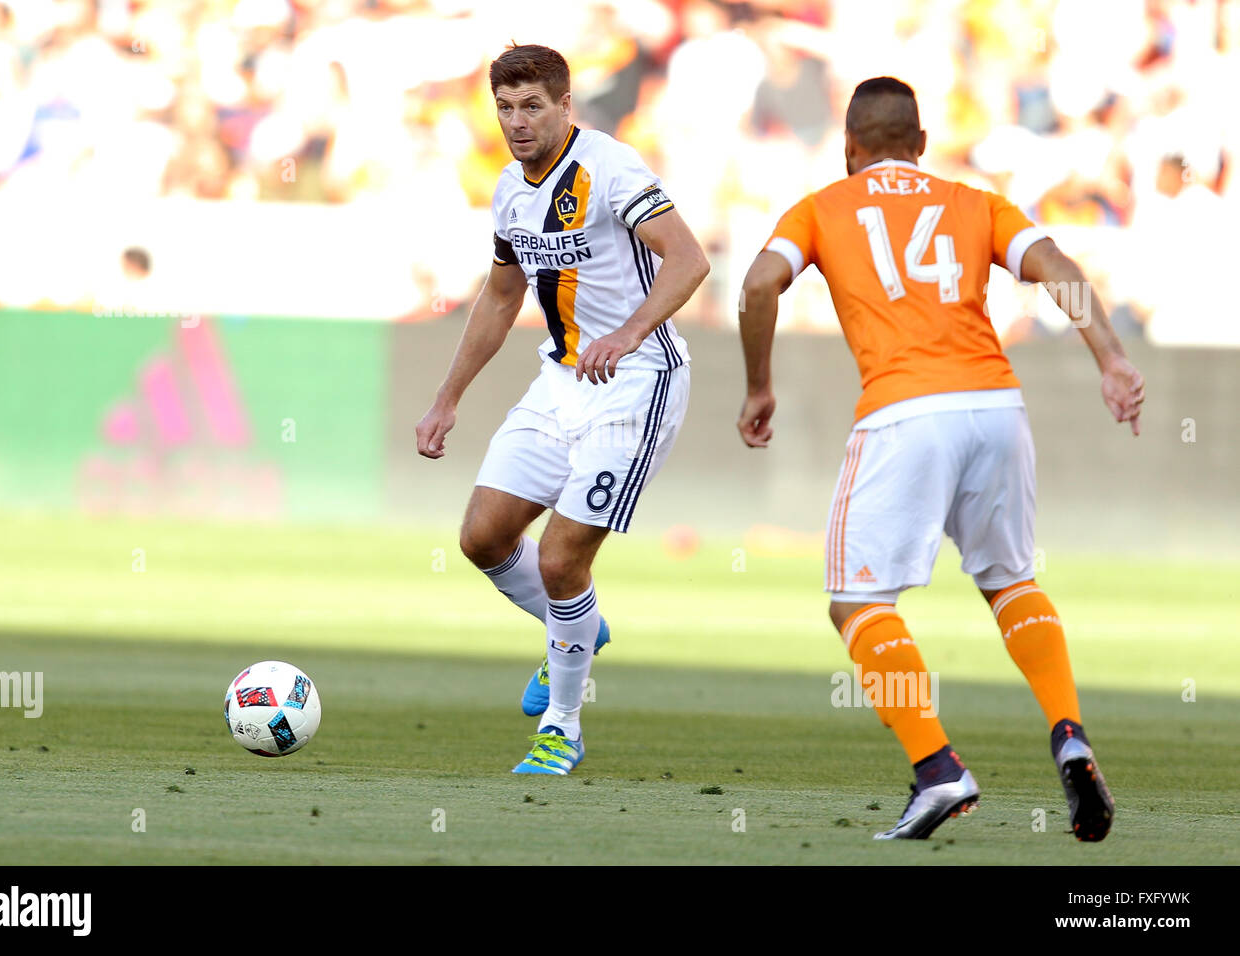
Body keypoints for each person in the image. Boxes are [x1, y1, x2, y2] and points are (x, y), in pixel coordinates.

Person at [736, 77, 1144, 840]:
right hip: (995, 406)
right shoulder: (974, 201)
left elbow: (760, 282)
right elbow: (1057, 265)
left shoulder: (823, 205)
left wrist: (759, 385)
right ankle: (1068, 731)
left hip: (904, 413)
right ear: (920, 144)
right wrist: (1113, 360)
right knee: (1011, 580)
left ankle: (938, 768)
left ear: (849, 147)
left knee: (858, 603)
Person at [415, 44, 708, 775]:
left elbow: (689, 258)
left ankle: (562, 726)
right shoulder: (510, 190)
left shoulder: (611, 167)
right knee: (482, 538)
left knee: (559, 558)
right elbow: (504, 295)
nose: (517, 122)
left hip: (638, 381)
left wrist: (630, 331)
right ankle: (576, 632)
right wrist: (447, 399)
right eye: (505, 108)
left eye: (531, 106)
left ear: (564, 104)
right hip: (562, 382)